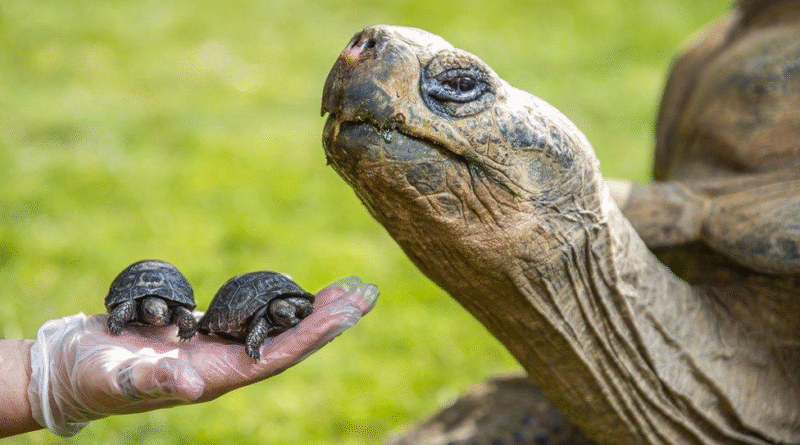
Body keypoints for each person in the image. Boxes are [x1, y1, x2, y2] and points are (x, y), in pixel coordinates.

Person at [0, 276, 378, 438]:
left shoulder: (288, 306)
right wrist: (54, 378)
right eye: (150, 314)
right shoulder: (140, 309)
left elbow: (283, 310)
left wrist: (34, 370)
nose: (155, 318)